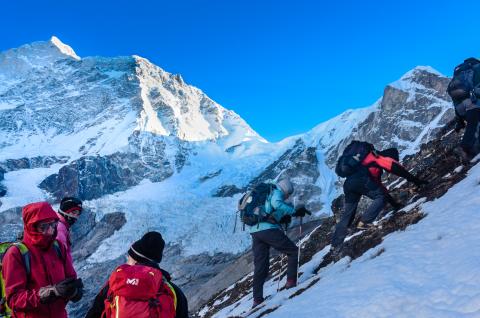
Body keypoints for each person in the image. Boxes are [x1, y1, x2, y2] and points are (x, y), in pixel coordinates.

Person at [331, 142, 427, 256]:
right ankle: (364, 222)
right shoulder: (379, 157)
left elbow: (380, 188)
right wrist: (416, 181)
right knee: (380, 197)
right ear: (391, 156)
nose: (397, 161)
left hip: (348, 184)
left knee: (348, 215)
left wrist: (395, 204)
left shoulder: (367, 161)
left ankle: (335, 244)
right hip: (361, 180)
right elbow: (398, 170)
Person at [1, 202, 83, 318]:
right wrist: (50, 292)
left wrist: (74, 291)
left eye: (53, 225)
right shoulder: (16, 254)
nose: (50, 231)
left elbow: (70, 277)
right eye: (43, 227)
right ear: (31, 226)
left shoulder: (58, 247)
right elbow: (14, 299)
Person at [85, 231, 188, 318]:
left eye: (129, 257)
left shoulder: (117, 282)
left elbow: (94, 312)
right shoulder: (173, 291)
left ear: (134, 259)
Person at [249, 178, 310, 308]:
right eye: (288, 194)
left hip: (255, 231)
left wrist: (283, 217)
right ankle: (290, 283)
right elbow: (277, 204)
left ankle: (257, 300)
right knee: (293, 251)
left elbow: (272, 212)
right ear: (286, 190)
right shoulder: (277, 192)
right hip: (268, 230)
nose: (287, 197)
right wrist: (294, 211)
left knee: (260, 266)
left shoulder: (266, 195)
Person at [447, 57, 480, 160]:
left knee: (473, 124)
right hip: (475, 101)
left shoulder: (458, 75)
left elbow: (454, 99)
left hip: (462, 106)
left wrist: (459, 120)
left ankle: (469, 154)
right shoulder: (477, 68)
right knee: (474, 124)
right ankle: (465, 149)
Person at [56, 197, 83, 265]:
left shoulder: (61, 225)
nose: (76, 217)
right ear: (65, 212)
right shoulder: (60, 229)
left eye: (78, 214)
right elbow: (62, 257)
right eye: (73, 213)